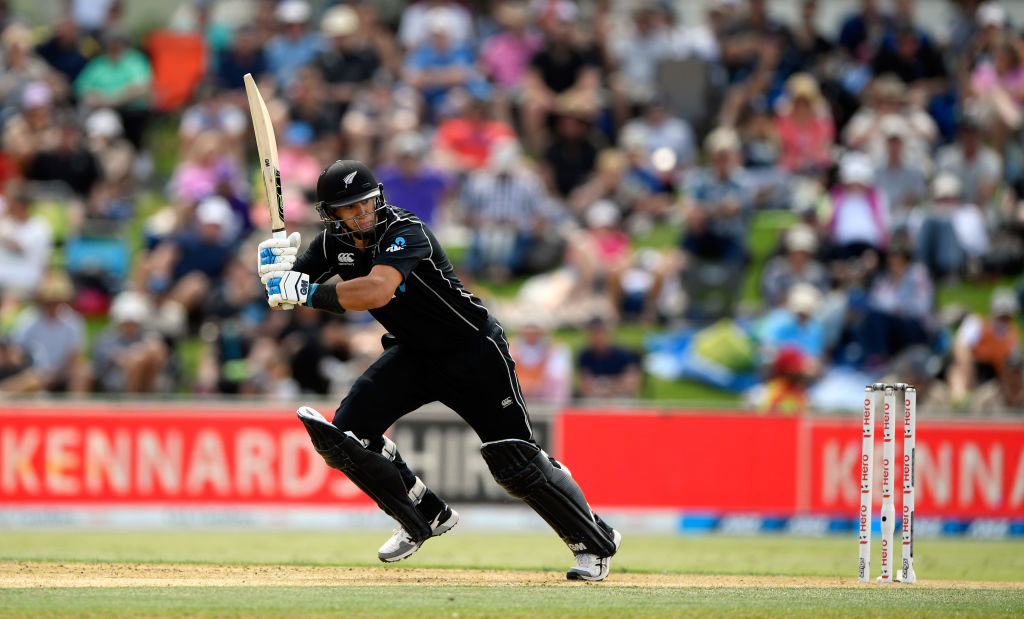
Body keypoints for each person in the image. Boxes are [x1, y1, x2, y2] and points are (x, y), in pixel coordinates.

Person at [256, 160, 621, 580]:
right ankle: (424, 515)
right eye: (350, 209)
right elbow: (286, 295)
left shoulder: (406, 231)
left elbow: (375, 291)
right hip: (413, 355)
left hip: (474, 354)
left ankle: (596, 542)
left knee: (514, 463)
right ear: (331, 215)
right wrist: (273, 274)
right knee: (345, 437)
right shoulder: (328, 245)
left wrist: (302, 289)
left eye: (367, 203)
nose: (362, 214)